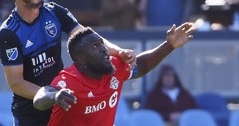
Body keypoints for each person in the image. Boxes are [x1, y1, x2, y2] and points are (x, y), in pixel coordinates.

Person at [0, 0, 135, 126]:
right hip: (31, 115)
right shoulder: (9, 33)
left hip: (61, 104)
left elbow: (87, 35)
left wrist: (119, 52)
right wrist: (51, 95)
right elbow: (16, 83)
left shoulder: (55, 12)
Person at [33, 23, 196, 126]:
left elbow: (141, 65)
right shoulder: (69, 80)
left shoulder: (114, 66)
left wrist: (169, 46)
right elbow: (40, 98)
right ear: (81, 60)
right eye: (94, 47)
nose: (103, 48)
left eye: (101, 43)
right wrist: (54, 97)